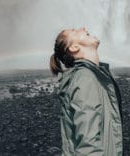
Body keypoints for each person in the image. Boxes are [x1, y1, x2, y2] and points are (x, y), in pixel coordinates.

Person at [50, 27, 124, 156]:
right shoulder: (85, 79)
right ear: (74, 48)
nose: (83, 28)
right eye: (74, 31)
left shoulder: (90, 75)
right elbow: (88, 142)